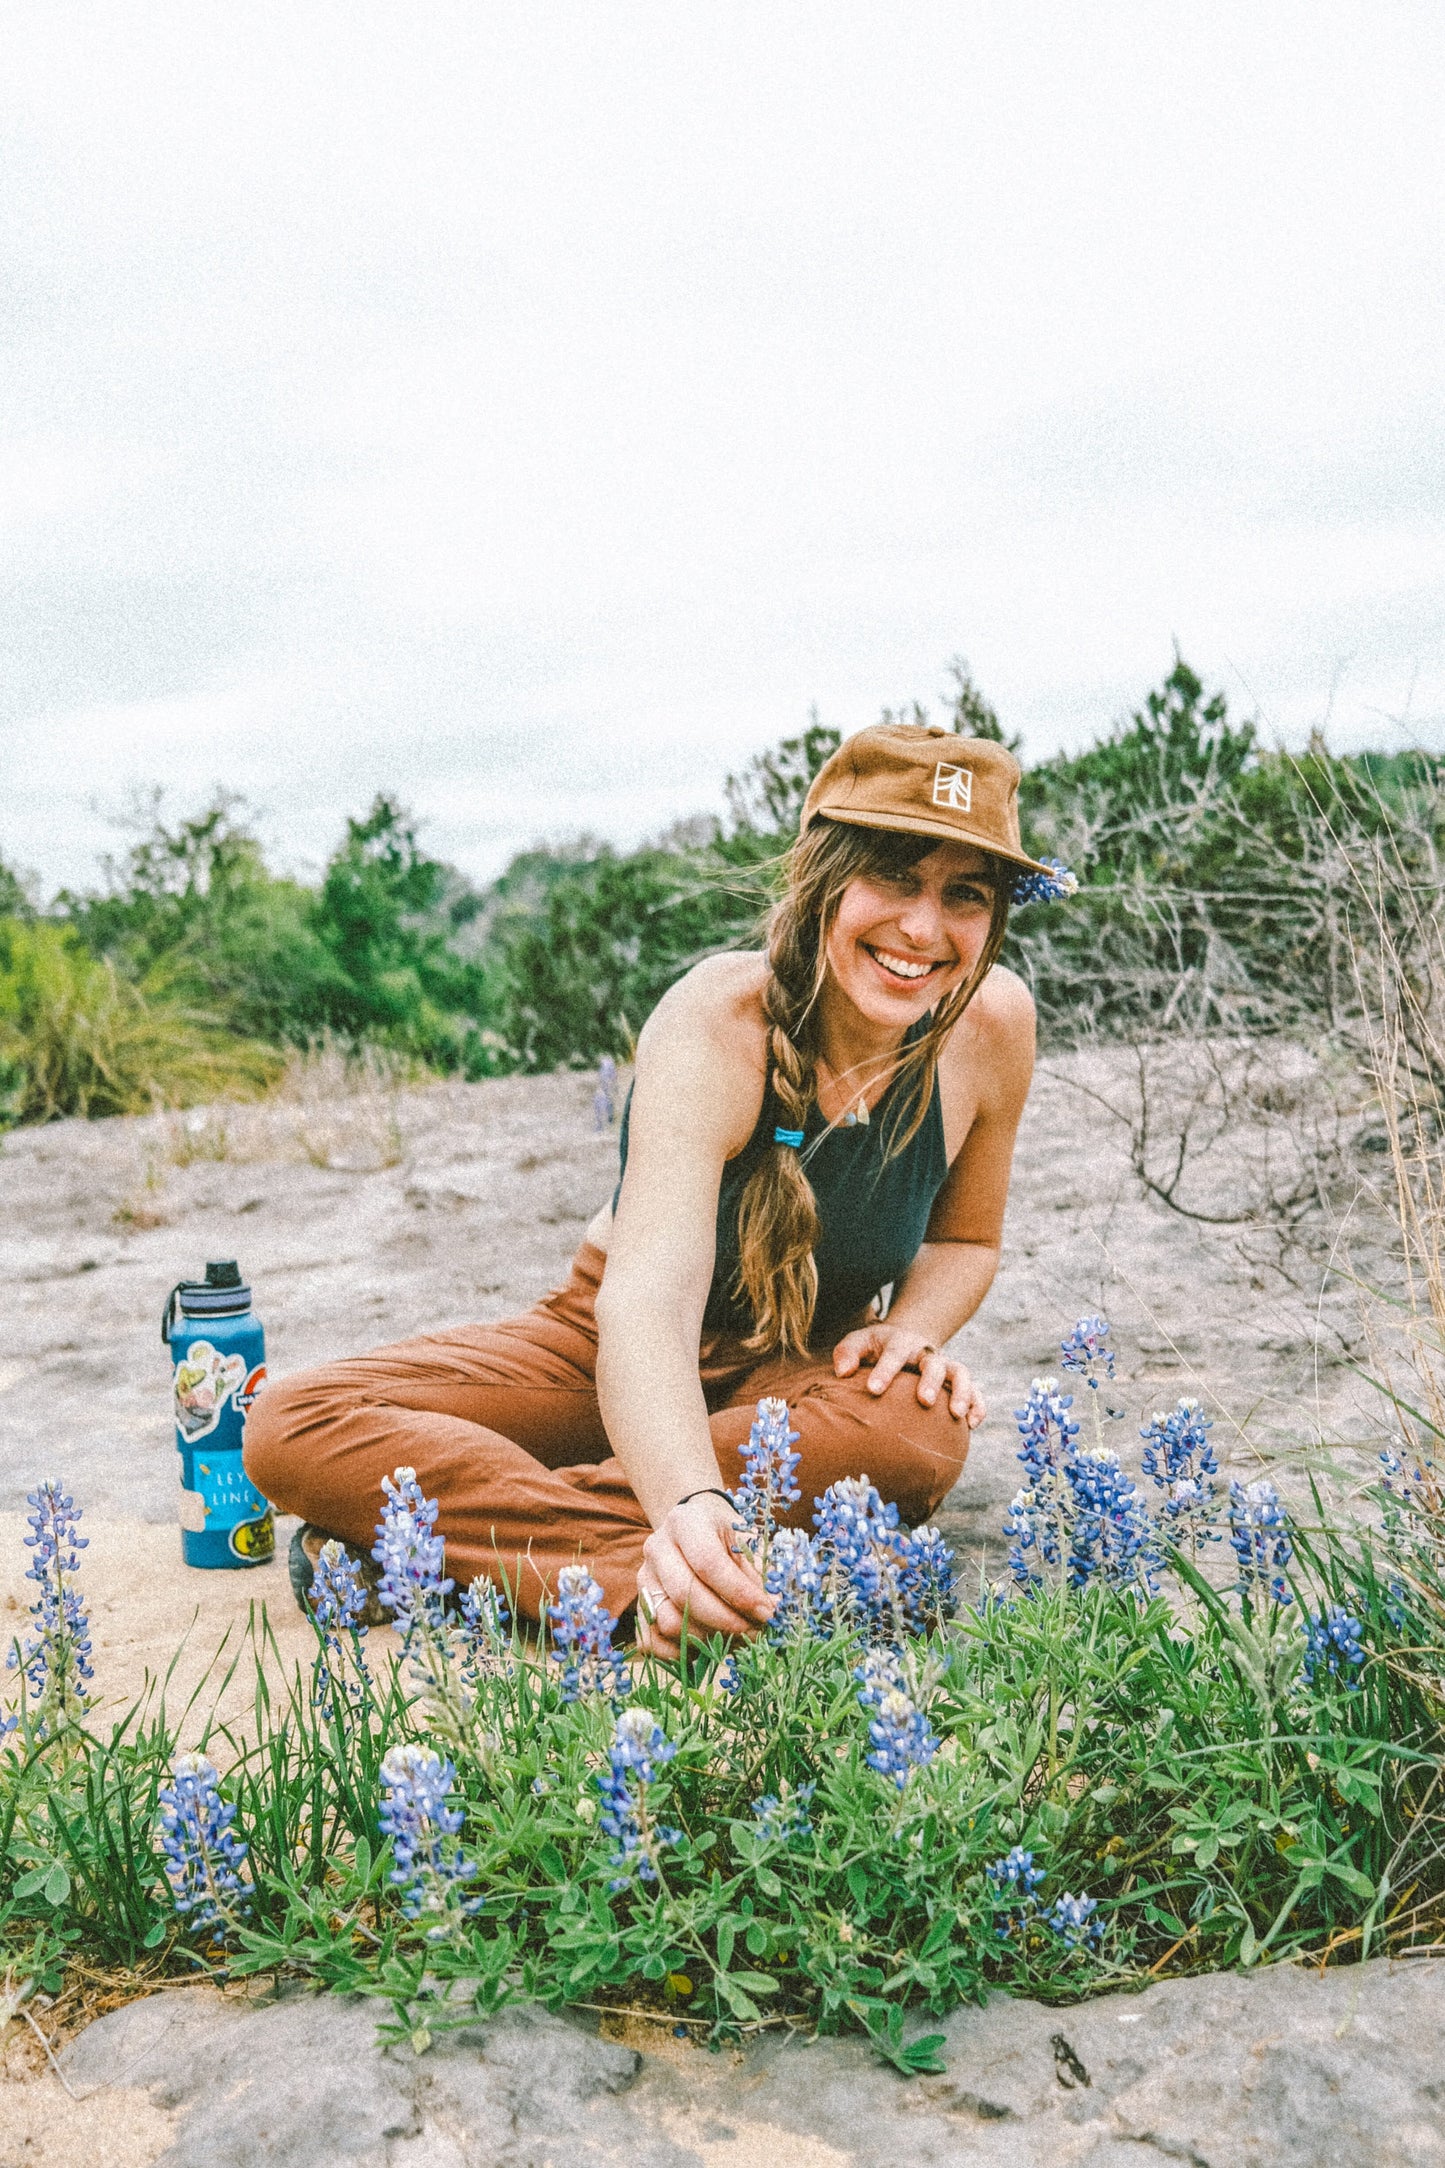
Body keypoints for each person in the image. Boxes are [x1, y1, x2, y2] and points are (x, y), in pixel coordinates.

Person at [243, 721, 1067, 1657]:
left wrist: (908, 1331)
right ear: (823, 876)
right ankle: (683, 1572)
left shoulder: (993, 1025)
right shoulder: (716, 1021)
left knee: (918, 1430)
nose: (924, 929)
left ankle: (440, 1548)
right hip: (609, 1343)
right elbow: (646, 1308)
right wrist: (684, 1497)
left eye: (966, 894)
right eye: (892, 878)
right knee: (289, 1422)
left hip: (802, 1370)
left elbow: (966, 1243)